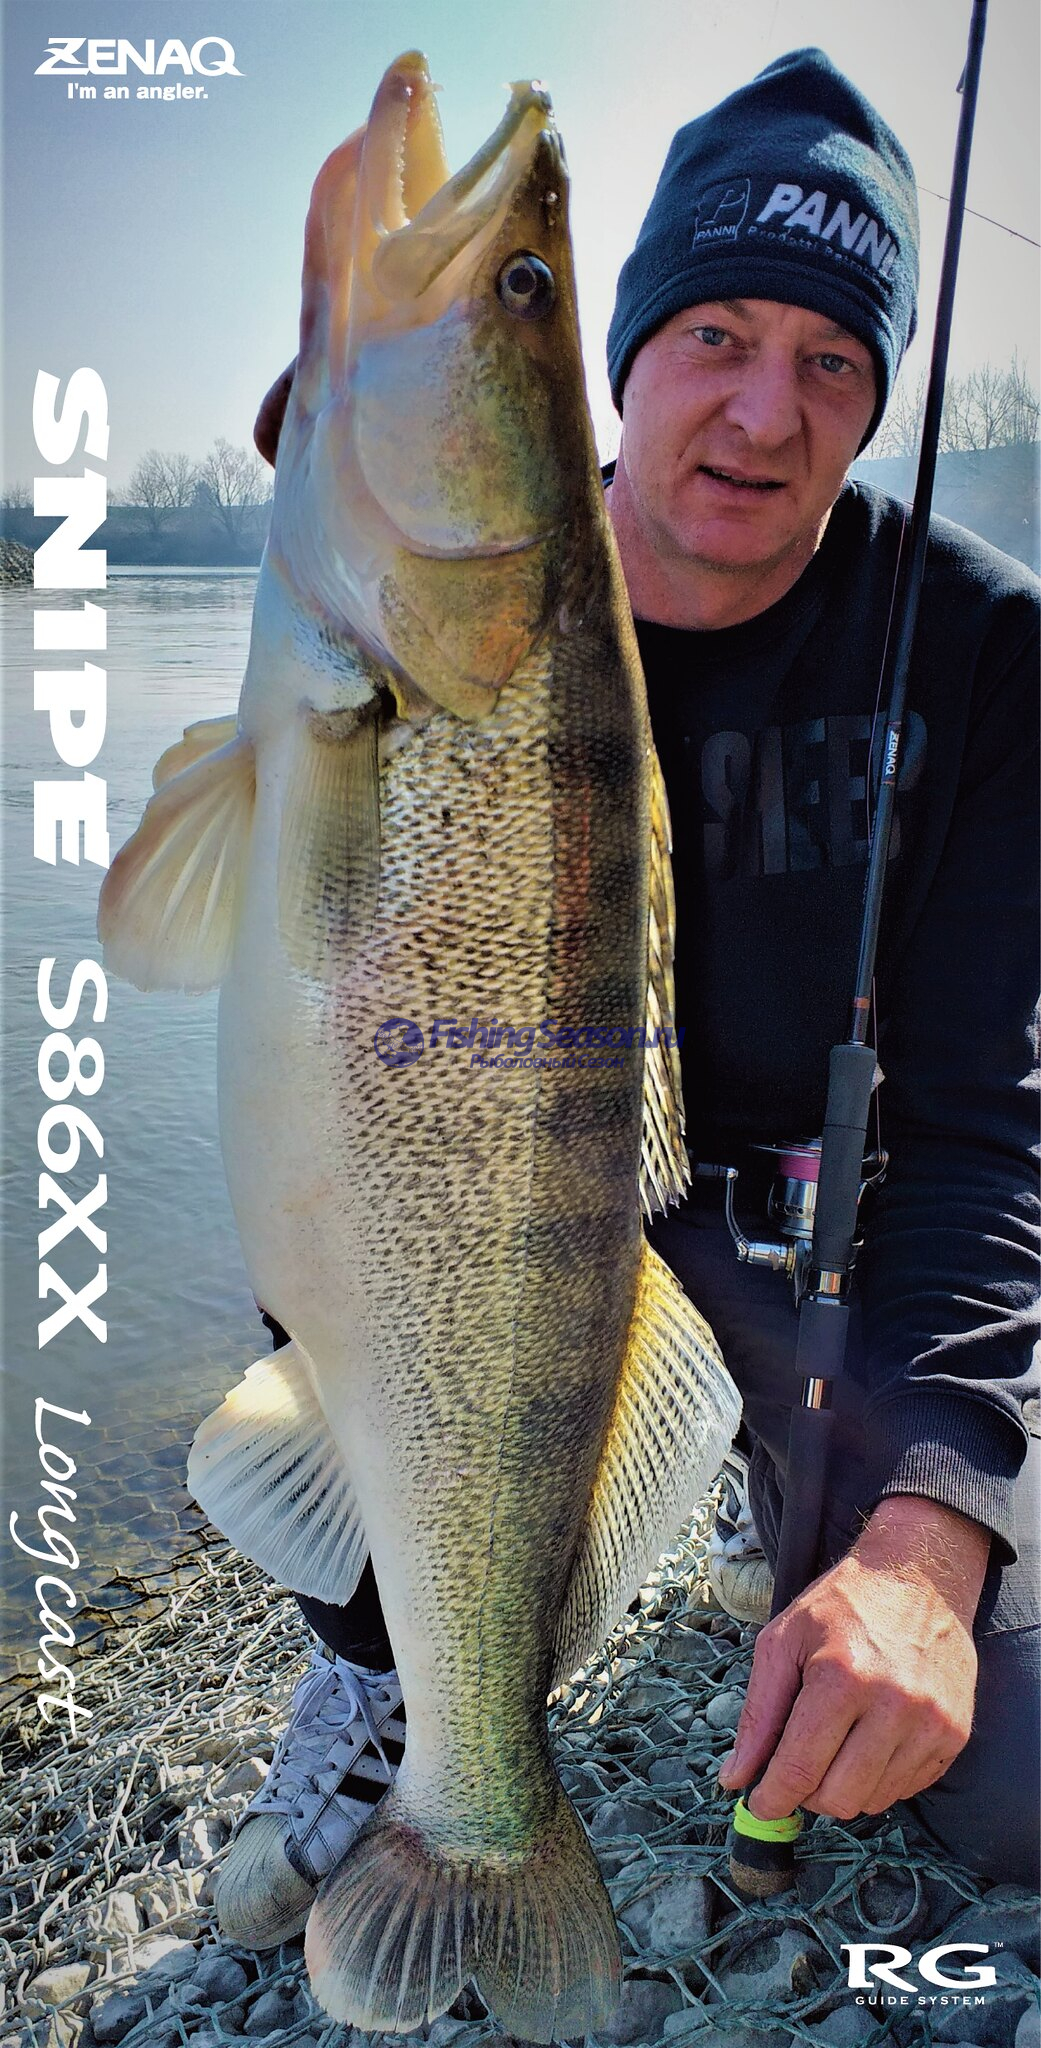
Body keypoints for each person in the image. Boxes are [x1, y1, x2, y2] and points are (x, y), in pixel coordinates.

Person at [214, 49, 1040, 1947]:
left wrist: (927, 1537)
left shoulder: (989, 653)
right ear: (622, 357)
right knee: (377, 1185)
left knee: (1018, 1780)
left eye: (830, 360)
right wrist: (355, 408)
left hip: (822, 1256)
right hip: (500, 1218)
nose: (763, 410)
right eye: (714, 336)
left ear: (879, 400)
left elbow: (992, 1131)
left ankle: (787, 1498)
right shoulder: (412, 615)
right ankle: (387, 1670)